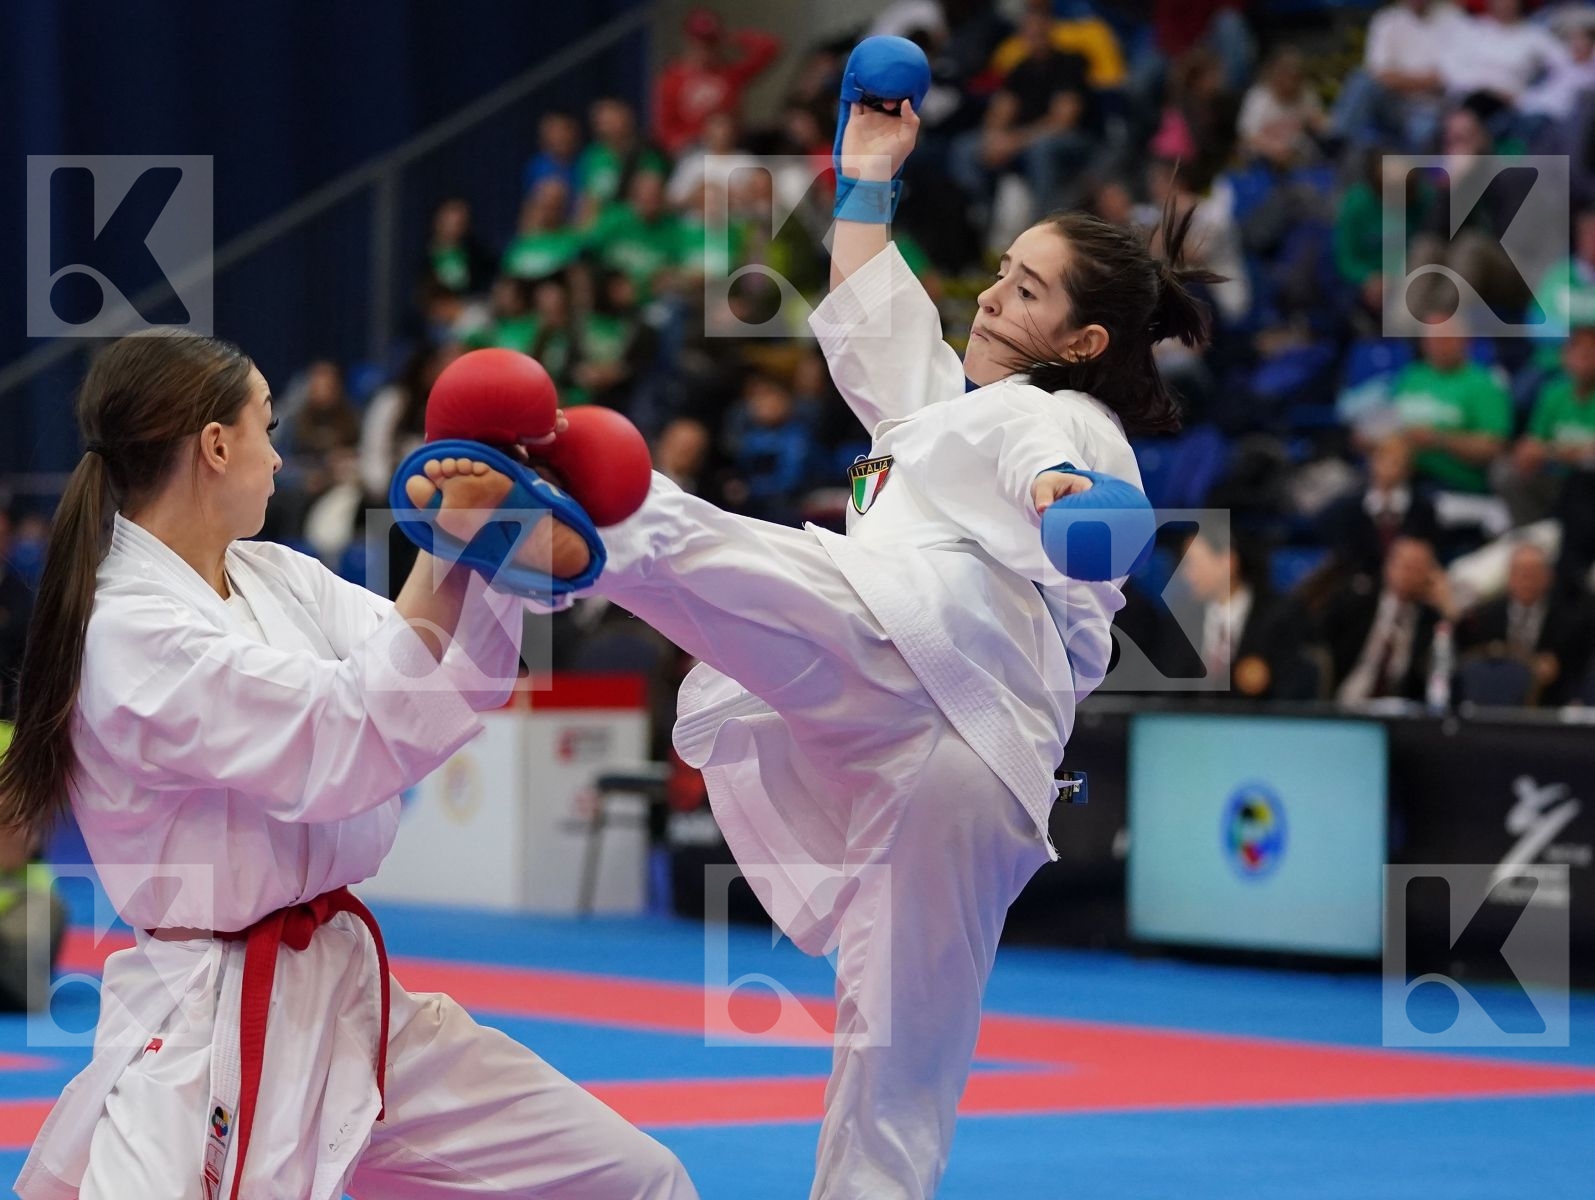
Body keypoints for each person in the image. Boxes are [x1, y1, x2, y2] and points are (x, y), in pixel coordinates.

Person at [575, 96, 1217, 1199]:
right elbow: (879, 318)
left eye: (1027, 290)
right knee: (895, 1081)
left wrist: (1065, 499)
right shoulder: (939, 418)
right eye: (1001, 271)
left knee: (746, 565)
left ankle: (587, 513)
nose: (992, 294)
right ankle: (599, 526)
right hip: (974, 771)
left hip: (935, 671)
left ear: (1082, 345)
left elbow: (1054, 464)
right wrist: (868, 174)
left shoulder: (1060, 419)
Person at [0, 331, 694, 1199]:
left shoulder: (273, 574)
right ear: (215, 447)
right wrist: (447, 541)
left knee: (631, 1179)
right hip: (210, 1024)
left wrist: (494, 542)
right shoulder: (134, 634)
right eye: (267, 427)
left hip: (351, 1000)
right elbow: (343, 734)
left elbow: (443, 682)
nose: (279, 454)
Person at [1455, 541, 1594, 704]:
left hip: (1550, 706)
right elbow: (1470, 658)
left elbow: (1579, 666)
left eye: (1533, 574)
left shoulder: (1570, 619)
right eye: (1520, 573)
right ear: (1509, 577)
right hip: (1496, 704)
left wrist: (1558, 667)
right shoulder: (1486, 616)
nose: (1526, 580)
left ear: (1548, 577)